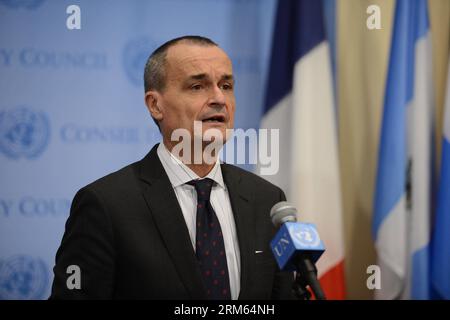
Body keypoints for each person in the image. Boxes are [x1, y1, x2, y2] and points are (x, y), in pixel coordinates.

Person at [50, 36, 295, 299]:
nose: (218, 98)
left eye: (226, 85)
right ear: (156, 105)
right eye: (197, 86)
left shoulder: (267, 200)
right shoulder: (105, 205)